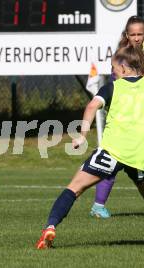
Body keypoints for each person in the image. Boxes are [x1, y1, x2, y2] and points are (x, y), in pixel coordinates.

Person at [36, 45, 144, 249]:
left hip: (113, 151)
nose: (112, 73)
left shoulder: (114, 87)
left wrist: (82, 136)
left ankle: (50, 227)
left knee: (74, 188)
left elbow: (92, 106)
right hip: (140, 154)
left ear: (123, 68)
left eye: (113, 68)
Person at [89, 15, 144, 219]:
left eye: (141, 34)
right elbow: (118, 85)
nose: (137, 38)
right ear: (127, 35)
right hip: (125, 117)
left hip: (140, 118)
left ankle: (98, 205)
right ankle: (98, 205)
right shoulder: (122, 57)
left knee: (137, 170)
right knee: (112, 161)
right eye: (133, 34)